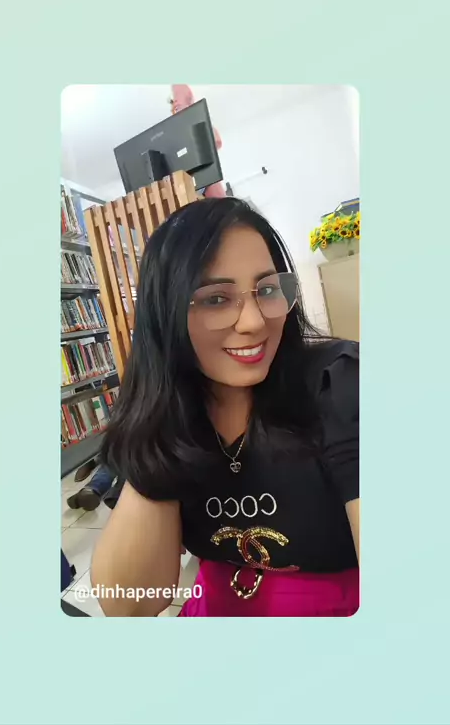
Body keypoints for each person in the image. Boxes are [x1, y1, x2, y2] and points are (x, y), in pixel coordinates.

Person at [91, 198, 359, 617]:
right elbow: (129, 606)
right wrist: (160, 425)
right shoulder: (177, 416)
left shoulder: (340, 383)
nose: (254, 321)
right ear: (166, 316)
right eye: (216, 299)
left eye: (267, 290)